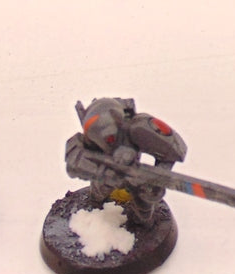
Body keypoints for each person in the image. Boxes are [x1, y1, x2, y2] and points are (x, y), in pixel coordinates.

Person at [65, 97, 187, 230]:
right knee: (98, 193)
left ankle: (143, 222)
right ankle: (96, 206)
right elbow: (73, 162)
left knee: (144, 203)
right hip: (106, 175)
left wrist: (157, 178)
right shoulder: (88, 139)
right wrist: (101, 172)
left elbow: (174, 151)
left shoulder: (140, 128)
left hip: (136, 177)